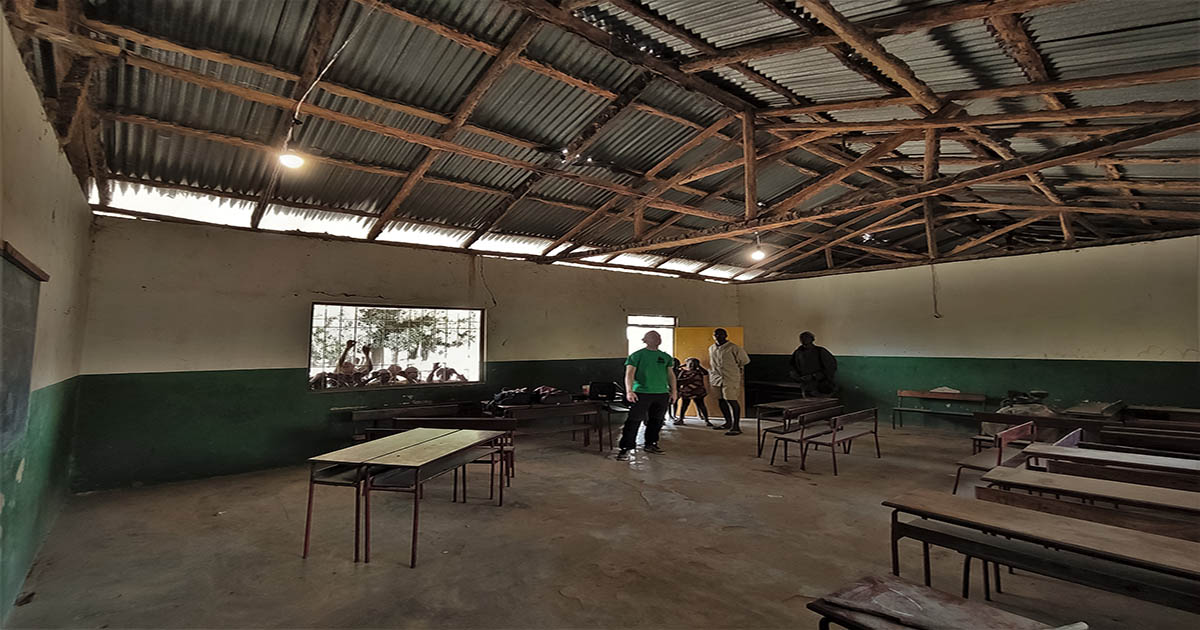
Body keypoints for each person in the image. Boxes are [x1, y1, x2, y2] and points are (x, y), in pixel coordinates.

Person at [618, 330, 676, 461]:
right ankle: (626, 448)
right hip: (641, 393)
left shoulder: (665, 357)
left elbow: (670, 375)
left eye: (658, 337)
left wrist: (674, 391)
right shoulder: (637, 355)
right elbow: (629, 374)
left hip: (661, 393)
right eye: (653, 337)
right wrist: (629, 391)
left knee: (657, 421)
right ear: (645, 340)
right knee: (634, 421)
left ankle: (651, 444)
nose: (657, 339)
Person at [708, 328, 750, 435]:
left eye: (721, 334)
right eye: (716, 335)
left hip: (730, 378)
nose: (718, 336)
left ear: (726, 335)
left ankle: (736, 426)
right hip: (717, 378)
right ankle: (728, 422)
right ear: (713, 336)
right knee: (721, 400)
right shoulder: (711, 348)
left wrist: (734, 369)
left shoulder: (734, 348)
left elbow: (745, 361)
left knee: (731, 400)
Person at [788, 331, 837, 396]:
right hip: (805, 385)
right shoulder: (798, 352)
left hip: (821, 385)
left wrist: (814, 376)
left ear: (812, 339)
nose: (804, 339)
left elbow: (831, 367)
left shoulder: (820, 351)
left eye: (807, 337)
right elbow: (792, 366)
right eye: (802, 338)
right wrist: (796, 376)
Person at [674, 357, 711, 427]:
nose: (692, 365)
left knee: (701, 405)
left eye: (694, 364)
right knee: (684, 405)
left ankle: (707, 420)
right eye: (690, 364)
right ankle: (681, 419)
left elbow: (706, 372)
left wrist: (699, 366)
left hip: (698, 392)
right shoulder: (683, 372)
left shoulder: (700, 372)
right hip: (687, 392)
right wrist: (688, 379)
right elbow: (678, 381)